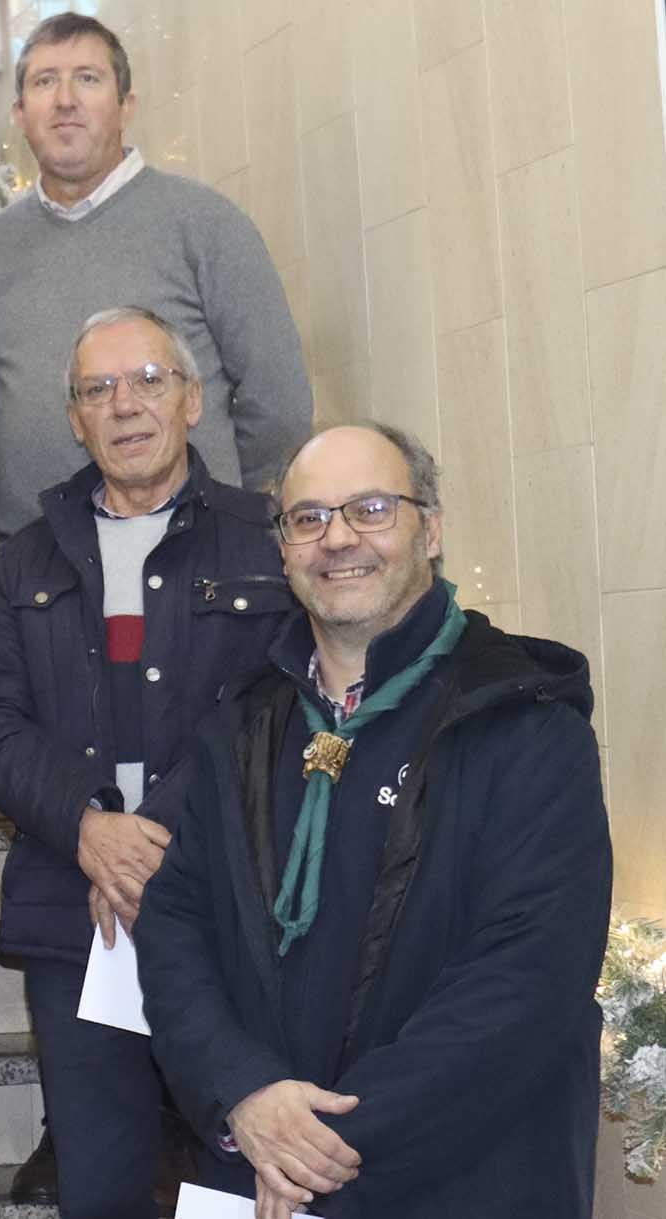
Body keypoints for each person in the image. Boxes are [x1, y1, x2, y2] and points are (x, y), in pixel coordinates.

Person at [136, 423, 610, 1218]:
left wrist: (326, 1144)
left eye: (371, 508)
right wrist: (243, 1089)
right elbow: (174, 926)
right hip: (263, 1174)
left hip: (463, 1182)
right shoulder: (243, 727)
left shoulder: (527, 723)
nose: (338, 538)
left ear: (430, 527)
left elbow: (525, 979)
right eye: (310, 517)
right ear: (282, 549)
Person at [0, 307, 297, 1219]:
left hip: (231, 911)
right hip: (81, 923)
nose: (125, 404)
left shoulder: (265, 540)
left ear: (190, 399)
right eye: (98, 388)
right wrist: (87, 828)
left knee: (242, 1171)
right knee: (99, 1182)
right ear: (73, 418)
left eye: (148, 379)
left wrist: (148, 844)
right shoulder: (27, 558)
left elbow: (271, 706)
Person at [0, 13, 312, 548]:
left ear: (126, 106)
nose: (65, 100)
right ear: (20, 114)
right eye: (44, 81)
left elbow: (278, 400)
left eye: (88, 78)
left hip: (193, 548)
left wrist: (222, 500)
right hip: (35, 560)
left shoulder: (204, 223)